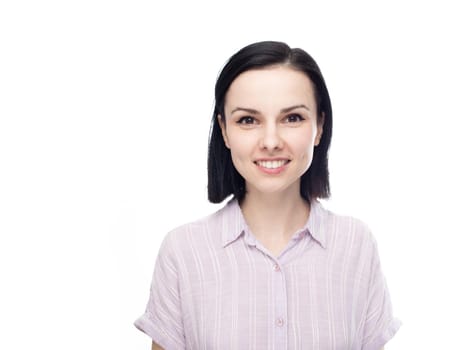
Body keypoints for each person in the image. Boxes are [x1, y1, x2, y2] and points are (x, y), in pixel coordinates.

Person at [135, 41, 401, 350]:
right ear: (224, 130)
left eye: (292, 118)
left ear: (319, 126)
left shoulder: (356, 245)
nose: (271, 141)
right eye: (248, 120)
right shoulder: (183, 252)